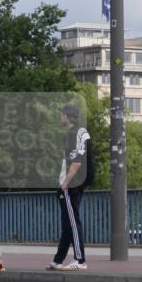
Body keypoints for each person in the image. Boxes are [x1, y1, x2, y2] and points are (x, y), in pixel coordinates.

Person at [47, 103, 92, 271]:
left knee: (73, 222)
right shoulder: (80, 133)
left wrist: (65, 183)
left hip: (70, 185)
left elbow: (77, 161)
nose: (60, 117)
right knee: (68, 222)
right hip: (75, 183)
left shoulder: (74, 134)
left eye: (61, 114)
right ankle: (58, 260)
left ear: (66, 115)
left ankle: (80, 260)